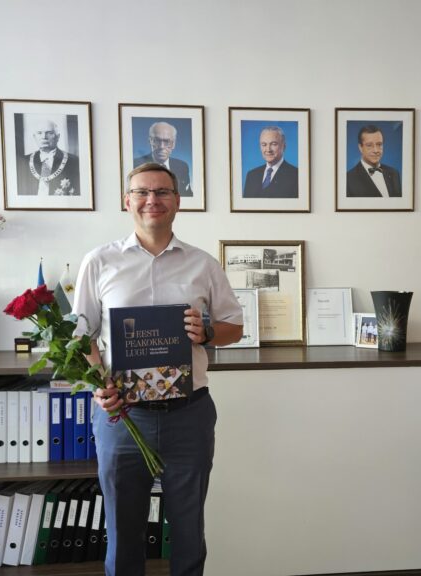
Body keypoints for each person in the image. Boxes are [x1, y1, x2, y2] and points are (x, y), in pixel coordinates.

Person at [72, 162, 243, 576]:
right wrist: (99, 384)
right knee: (123, 533)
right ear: (127, 201)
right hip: (123, 416)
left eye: (163, 192)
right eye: (143, 192)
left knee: (189, 531)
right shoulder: (99, 261)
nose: (153, 200)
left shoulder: (203, 264)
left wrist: (206, 332)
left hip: (189, 414)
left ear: (178, 201)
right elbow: (81, 337)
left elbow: (234, 328)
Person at [16, 118, 80, 196]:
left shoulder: (74, 161)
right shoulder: (24, 162)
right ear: (34, 137)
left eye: (49, 133)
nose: (44, 137)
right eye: (39, 133)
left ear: (58, 137)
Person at [134, 121, 193, 196]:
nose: (162, 146)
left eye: (167, 141)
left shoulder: (182, 166)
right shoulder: (136, 165)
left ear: (173, 144)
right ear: (150, 141)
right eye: (157, 141)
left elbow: (187, 194)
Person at [242, 126, 299, 198]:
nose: (268, 149)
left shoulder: (296, 175)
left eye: (273, 144)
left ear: (284, 146)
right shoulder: (251, 175)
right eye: (264, 144)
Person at [346, 125, 402, 197]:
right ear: (360, 147)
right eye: (369, 145)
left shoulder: (394, 173)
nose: (376, 150)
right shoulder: (348, 179)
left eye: (379, 144)